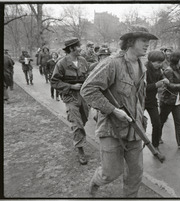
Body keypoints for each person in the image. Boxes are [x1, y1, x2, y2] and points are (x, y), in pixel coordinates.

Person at [80, 25, 158, 197]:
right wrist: (113, 110)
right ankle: (95, 183)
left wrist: (141, 118)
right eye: (144, 41)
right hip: (111, 129)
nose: (147, 45)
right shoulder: (112, 63)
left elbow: (139, 97)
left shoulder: (142, 66)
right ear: (130, 41)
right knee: (111, 173)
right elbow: (87, 90)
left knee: (135, 173)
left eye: (149, 41)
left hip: (135, 128)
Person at [50, 37, 90, 165]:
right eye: (78, 47)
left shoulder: (83, 61)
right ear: (71, 48)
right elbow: (54, 82)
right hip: (70, 97)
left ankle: (78, 137)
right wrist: (71, 86)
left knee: (83, 120)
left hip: (83, 96)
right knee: (77, 124)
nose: (80, 48)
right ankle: (80, 150)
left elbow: (88, 76)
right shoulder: (61, 63)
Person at [144, 50, 169, 155]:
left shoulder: (159, 70)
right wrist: (156, 85)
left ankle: (155, 146)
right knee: (138, 124)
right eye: (157, 62)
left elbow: (162, 78)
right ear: (151, 61)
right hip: (140, 100)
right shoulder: (143, 70)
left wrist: (165, 80)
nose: (160, 65)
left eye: (161, 62)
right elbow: (141, 88)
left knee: (157, 123)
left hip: (152, 101)